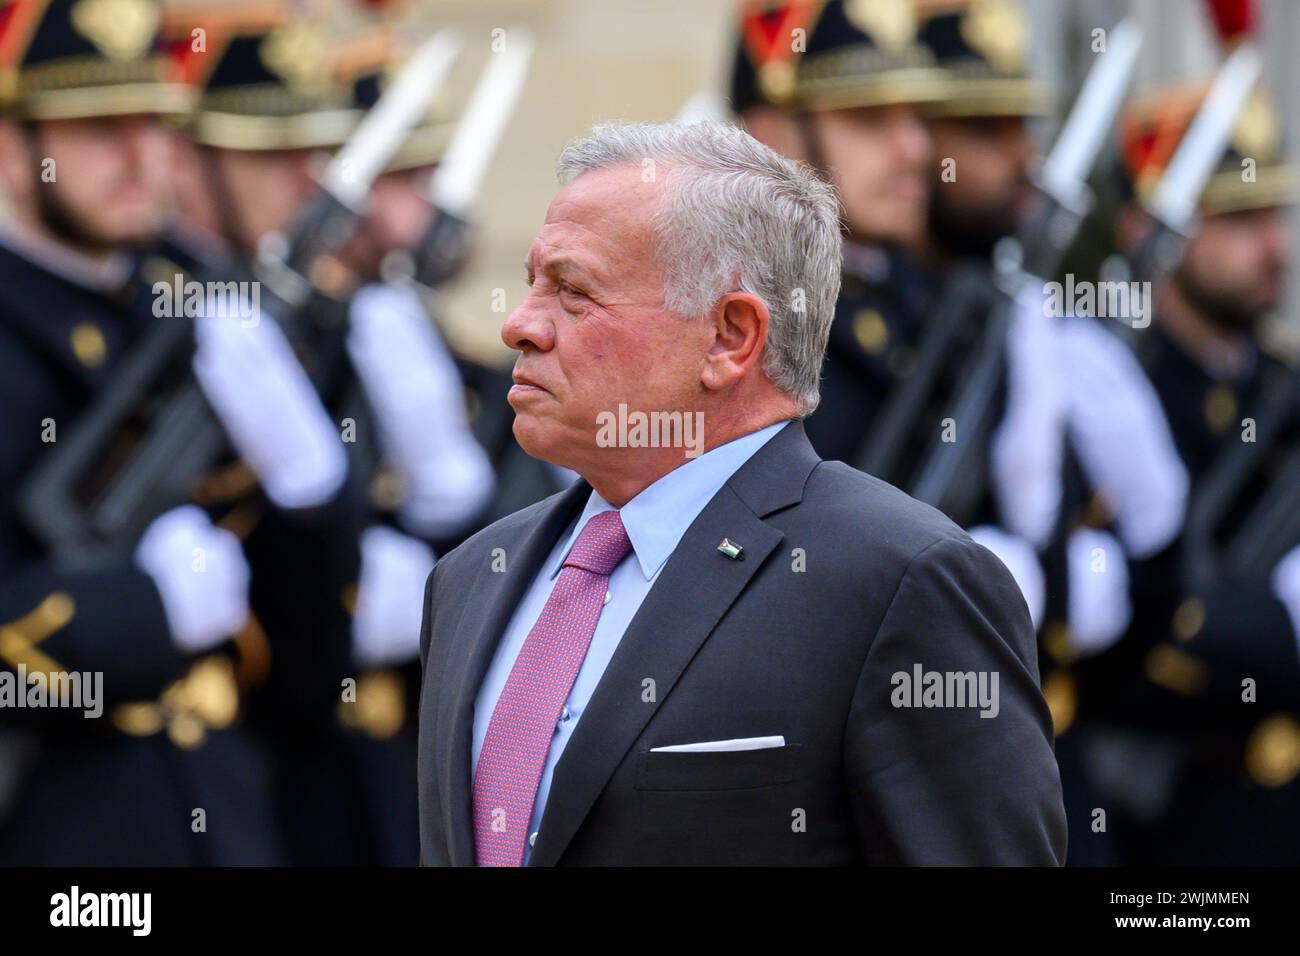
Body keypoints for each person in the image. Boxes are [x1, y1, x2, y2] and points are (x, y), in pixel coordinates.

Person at [415, 120, 1067, 866]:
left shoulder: (901, 581)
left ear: (730, 336)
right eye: (533, 282)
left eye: (573, 292)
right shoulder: (472, 576)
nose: (519, 325)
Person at [0, 0, 298, 864]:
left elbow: (310, 660)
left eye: (156, 125)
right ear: (13, 149)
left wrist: (319, 502)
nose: (141, 158)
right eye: (99, 128)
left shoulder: (187, 304)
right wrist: (139, 612)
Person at [1065, 81, 1300, 865]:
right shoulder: (1112, 389)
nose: (1274, 247)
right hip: (1165, 829)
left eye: (1275, 214)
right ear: (1147, 230)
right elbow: (1125, 633)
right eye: (1237, 219)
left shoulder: (1278, 382)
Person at [728, 0, 945, 469]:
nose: (917, 149)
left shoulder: (923, 296)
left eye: (917, 118)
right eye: (868, 118)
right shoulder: (726, 310)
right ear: (770, 136)